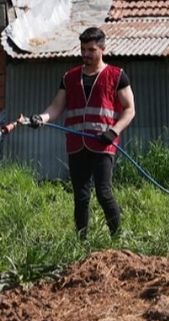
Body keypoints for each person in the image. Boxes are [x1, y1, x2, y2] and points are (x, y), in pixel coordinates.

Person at [26, 26, 135, 239]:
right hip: (77, 144)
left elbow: (130, 109)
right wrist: (42, 118)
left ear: (102, 49)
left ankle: (117, 240)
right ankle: (81, 243)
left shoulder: (117, 75)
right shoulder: (70, 77)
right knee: (81, 197)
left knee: (104, 193)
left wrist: (114, 131)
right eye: (83, 49)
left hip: (104, 144)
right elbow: (56, 107)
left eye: (91, 50)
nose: (85, 54)